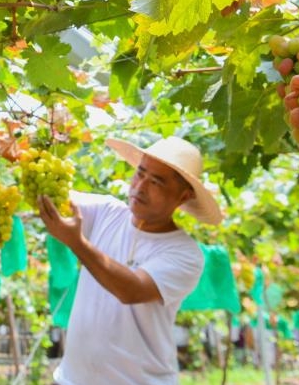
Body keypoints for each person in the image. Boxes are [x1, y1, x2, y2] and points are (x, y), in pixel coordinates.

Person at [37, 136, 223, 385]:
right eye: (140, 173)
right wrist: (28, 155)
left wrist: (77, 243)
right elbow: (54, 196)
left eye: (156, 182)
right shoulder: (107, 211)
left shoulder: (185, 253)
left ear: (183, 196)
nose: (141, 186)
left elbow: (132, 290)